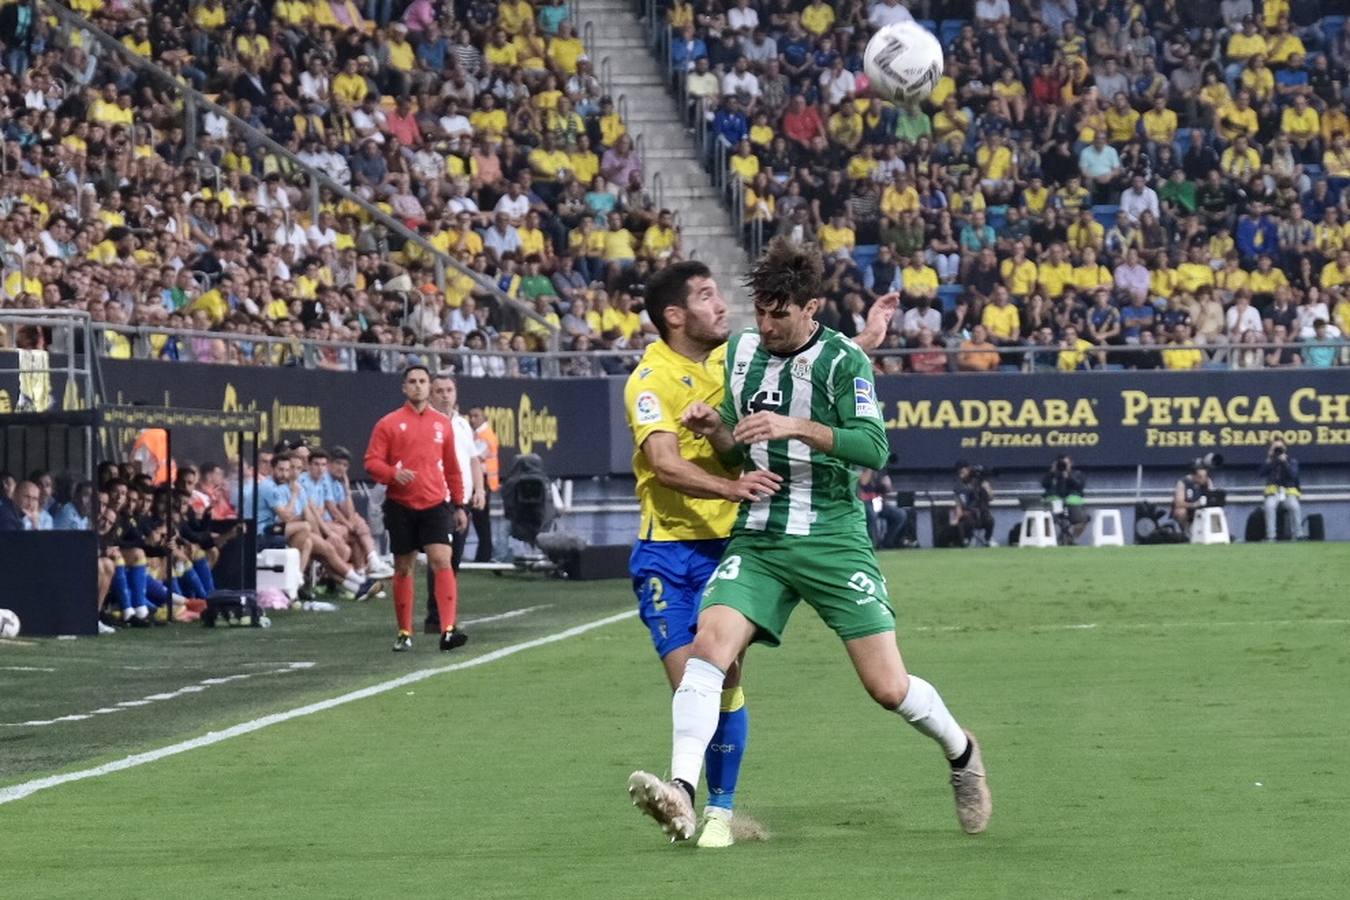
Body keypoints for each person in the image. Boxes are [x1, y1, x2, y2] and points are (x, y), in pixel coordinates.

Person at [626, 238, 990, 844]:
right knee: (708, 650)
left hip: (831, 536)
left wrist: (795, 425)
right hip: (761, 536)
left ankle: (962, 751)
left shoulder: (845, 363)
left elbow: (873, 448)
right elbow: (740, 450)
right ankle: (682, 791)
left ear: (811, 308)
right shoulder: (741, 352)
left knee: (888, 688)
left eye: (779, 314)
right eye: (760, 312)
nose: (765, 325)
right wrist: (718, 430)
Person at [364, 365, 469, 652]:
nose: (418, 386)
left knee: (442, 560)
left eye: (423, 381)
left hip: (435, 503)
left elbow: (452, 468)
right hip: (401, 504)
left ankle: (447, 629)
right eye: (413, 381)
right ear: (404, 387)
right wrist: (392, 474)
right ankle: (404, 631)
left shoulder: (442, 424)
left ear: (428, 387)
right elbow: (371, 462)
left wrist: (459, 504)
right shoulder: (388, 423)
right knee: (403, 566)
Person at [425, 374, 486, 634]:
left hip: (462, 501)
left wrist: (479, 489)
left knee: (454, 559)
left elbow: (473, 460)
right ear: (431, 395)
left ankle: (441, 613)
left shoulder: (461, 424)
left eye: (449, 390)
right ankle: (437, 615)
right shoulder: (427, 423)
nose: (445, 395)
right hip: (439, 500)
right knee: (441, 558)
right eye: (439, 391)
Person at [466, 406, 499, 562]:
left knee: (481, 520)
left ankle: (484, 556)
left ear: (484, 418)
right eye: (471, 416)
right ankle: (483, 555)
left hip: (483, 482)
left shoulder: (485, 436)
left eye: (476, 416)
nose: (472, 419)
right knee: (480, 520)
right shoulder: (477, 434)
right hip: (481, 481)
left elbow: (475, 459)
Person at [1257, 440, 1303, 541]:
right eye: (1275, 448)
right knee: (1269, 506)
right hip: (1273, 493)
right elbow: (1261, 473)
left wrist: (1285, 462)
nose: (1278, 451)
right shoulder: (1270, 462)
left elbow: (1293, 475)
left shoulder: (1292, 461)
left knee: (1294, 506)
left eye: (1280, 448)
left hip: (1288, 493)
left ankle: (1298, 534)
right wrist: (1270, 459)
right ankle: (1271, 536)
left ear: (1284, 449)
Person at [1040, 454, 1088, 543]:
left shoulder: (1077, 474)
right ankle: (1049, 541)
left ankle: (1072, 539)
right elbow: (1044, 484)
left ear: (1071, 463)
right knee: (1046, 519)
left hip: (1072, 503)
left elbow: (1080, 486)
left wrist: (1069, 477)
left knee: (1082, 519)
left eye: (1066, 463)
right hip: (1055, 503)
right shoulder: (1052, 475)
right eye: (1061, 464)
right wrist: (1052, 472)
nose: (1063, 466)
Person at [953, 461, 995, 547]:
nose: (960, 473)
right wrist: (957, 517)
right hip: (968, 513)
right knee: (968, 520)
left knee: (989, 519)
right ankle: (967, 539)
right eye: (959, 472)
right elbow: (958, 504)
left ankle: (988, 539)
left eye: (962, 470)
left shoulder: (978, 482)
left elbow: (991, 498)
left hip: (980, 512)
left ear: (968, 469)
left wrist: (987, 489)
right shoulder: (959, 487)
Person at [1172, 463, 1215, 535]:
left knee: (1216, 510)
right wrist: (1194, 505)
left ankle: (1213, 533)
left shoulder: (1207, 482)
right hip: (1188, 509)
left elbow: (1212, 496)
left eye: (1205, 476)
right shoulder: (1183, 482)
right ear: (1193, 476)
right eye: (1200, 477)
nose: (1203, 479)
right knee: (1180, 512)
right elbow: (1178, 503)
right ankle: (1186, 533)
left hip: (1203, 508)